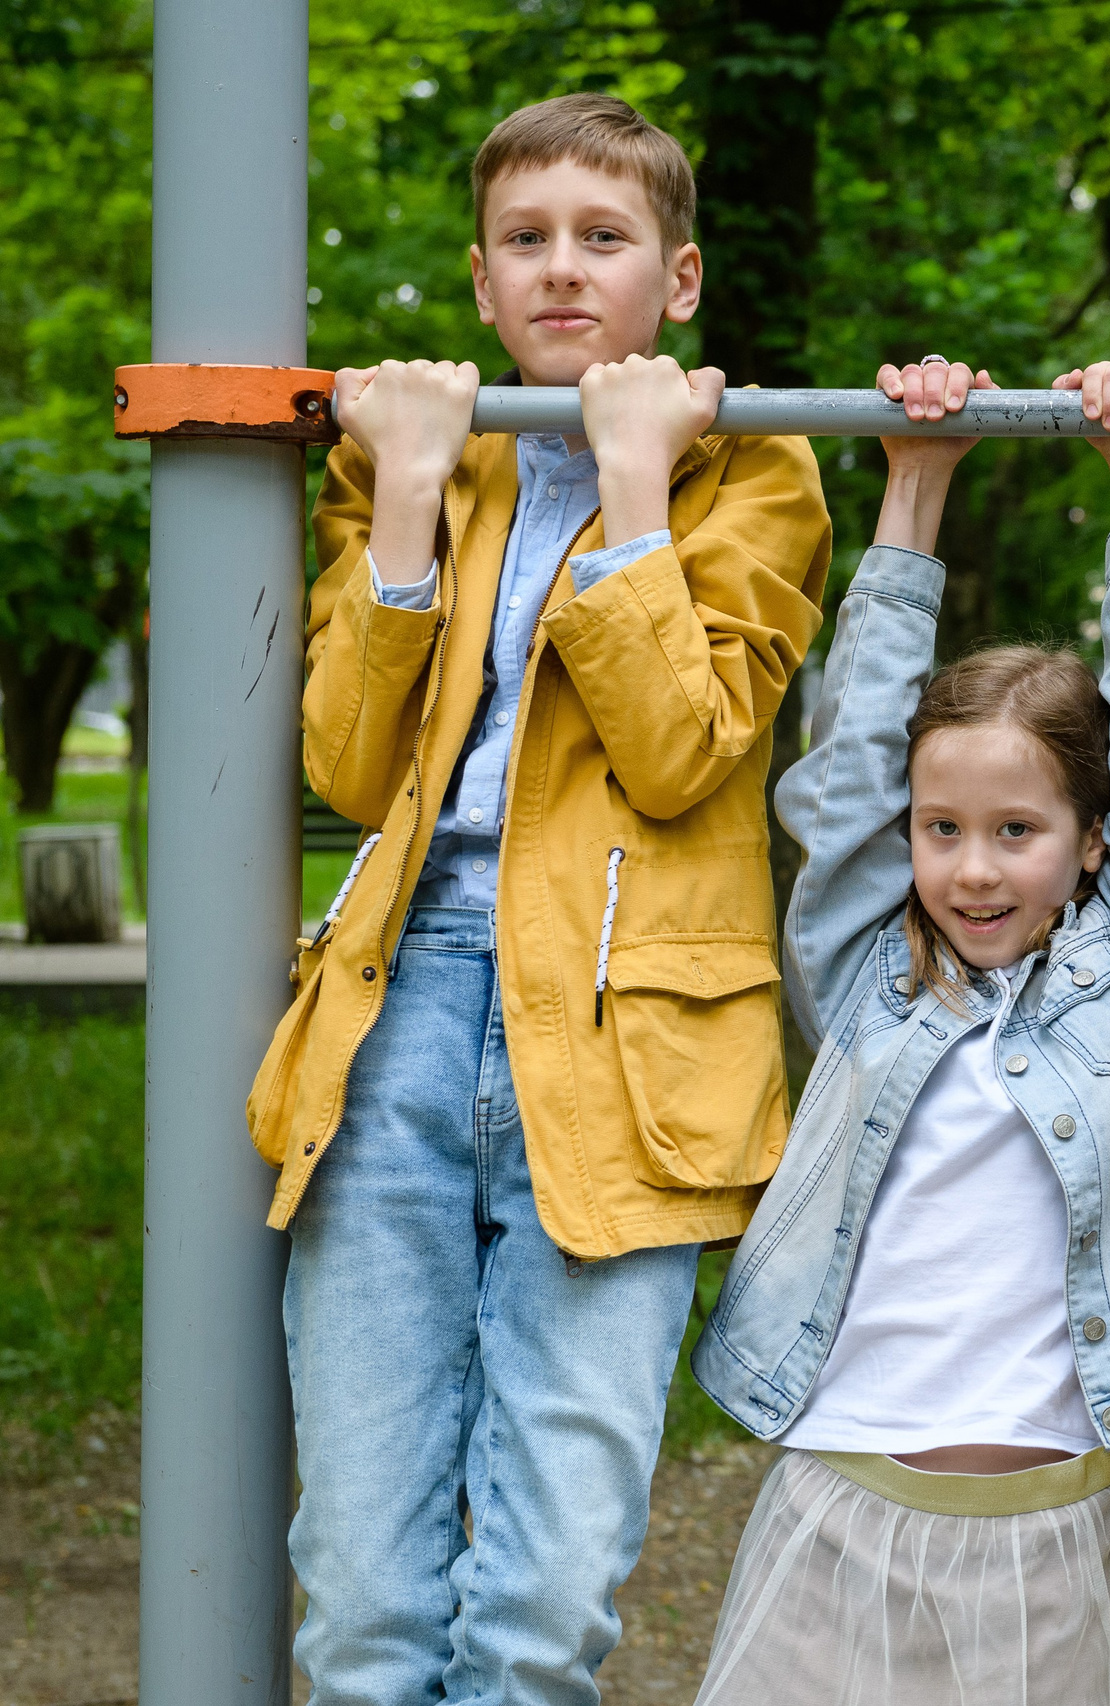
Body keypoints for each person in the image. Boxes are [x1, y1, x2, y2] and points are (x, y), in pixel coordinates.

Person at [246, 93, 831, 1702]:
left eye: (604, 236)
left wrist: (635, 497)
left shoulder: (760, 468)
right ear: (484, 284)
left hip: (625, 1034)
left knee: (542, 1596)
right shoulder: (424, 458)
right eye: (526, 240)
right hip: (399, 1021)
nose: (563, 268)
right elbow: (354, 770)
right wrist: (414, 500)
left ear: (681, 275)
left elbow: (680, 752)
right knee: (364, 1604)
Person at [685, 355, 1110, 1706]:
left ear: (1091, 842)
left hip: (1051, 1527)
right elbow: (852, 762)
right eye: (943, 830)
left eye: (1018, 831)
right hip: (840, 1505)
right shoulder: (866, 973)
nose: (976, 869)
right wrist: (913, 486)